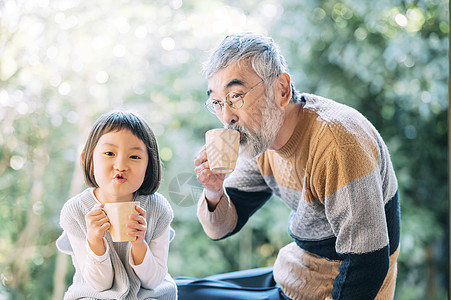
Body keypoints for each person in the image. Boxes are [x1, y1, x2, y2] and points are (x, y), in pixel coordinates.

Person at [190, 33, 400, 299]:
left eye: (236, 96)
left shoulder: (337, 142)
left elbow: (367, 264)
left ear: (281, 90)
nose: (227, 116)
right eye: (218, 103)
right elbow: (222, 228)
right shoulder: (260, 141)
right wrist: (214, 191)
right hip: (295, 272)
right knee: (178, 290)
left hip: (334, 288)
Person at [56, 111, 177, 300]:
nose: (120, 165)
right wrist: (95, 241)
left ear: (149, 165)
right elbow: (99, 285)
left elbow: (153, 282)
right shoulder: (75, 211)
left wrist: (139, 244)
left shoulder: (158, 209)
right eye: (109, 153)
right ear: (88, 159)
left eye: (135, 157)